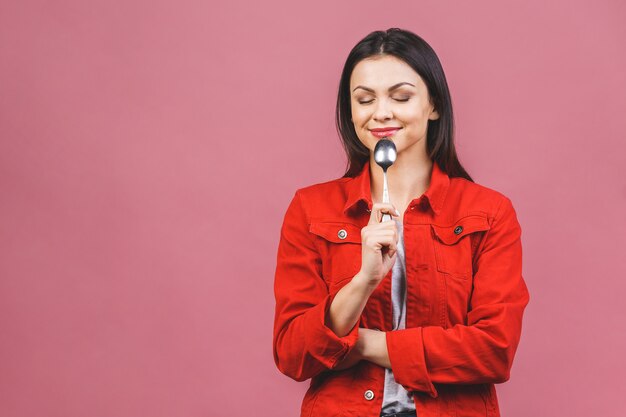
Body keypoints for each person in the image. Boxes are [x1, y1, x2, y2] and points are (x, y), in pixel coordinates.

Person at [272, 28, 530, 417]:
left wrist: (363, 344)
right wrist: (364, 281)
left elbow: (494, 350)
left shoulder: (489, 212)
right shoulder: (311, 208)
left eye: (401, 96)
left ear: (434, 105)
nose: (381, 113)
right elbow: (293, 354)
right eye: (364, 99)